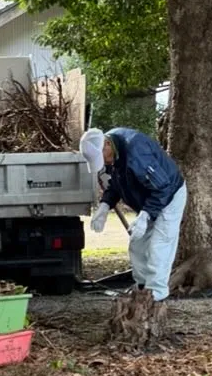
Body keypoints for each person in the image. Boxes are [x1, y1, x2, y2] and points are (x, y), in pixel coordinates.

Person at [80, 126, 188, 303]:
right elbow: (115, 184)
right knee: (137, 244)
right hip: (148, 199)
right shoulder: (113, 153)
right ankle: (142, 288)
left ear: (107, 144)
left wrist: (146, 215)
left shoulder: (137, 153)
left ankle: (156, 293)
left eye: (102, 157)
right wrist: (105, 205)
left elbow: (163, 188)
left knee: (159, 245)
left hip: (169, 196)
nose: (104, 163)